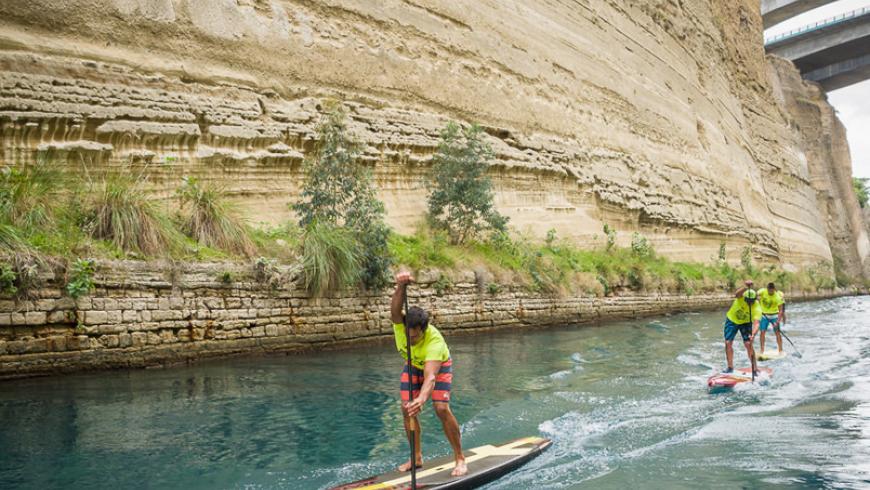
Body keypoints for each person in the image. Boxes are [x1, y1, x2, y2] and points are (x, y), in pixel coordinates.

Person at [391, 271, 467, 477]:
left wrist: (422, 399)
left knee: (441, 408)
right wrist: (401, 286)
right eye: (408, 335)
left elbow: (431, 377)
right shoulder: (401, 326)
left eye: (415, 336)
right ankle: (416, 457)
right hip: (413, 365)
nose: (411, 339)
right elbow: (395, 309)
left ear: (424, 330)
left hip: (437, 367)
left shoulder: (434, 343)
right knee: (407, 409)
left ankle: (460, 458)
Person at [722, 280, 762, 376]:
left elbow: (756, 323)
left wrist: (753, 334)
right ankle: (730, 367)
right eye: (747, 301)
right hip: (732, 320)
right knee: (728, 343)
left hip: (745, 323)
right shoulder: (741, 297)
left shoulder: (757, 308)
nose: (749, 303)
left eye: (751, 302)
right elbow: (737, 294)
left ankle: (755, 369)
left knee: (748, 344)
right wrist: (745, 286)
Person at [758, 282, 786, 354]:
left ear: (774, 289)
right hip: (764, 315)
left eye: (772, 290)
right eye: (769, 290)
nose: (770, 292)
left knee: (777, 333)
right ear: (767, 289)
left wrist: (778, 321)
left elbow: (781, 310)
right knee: (762, 332)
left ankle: (780, 350)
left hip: (774, 316)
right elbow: (755, 295)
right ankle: (762, 350)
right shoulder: (762, 291)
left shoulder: (777, 297)